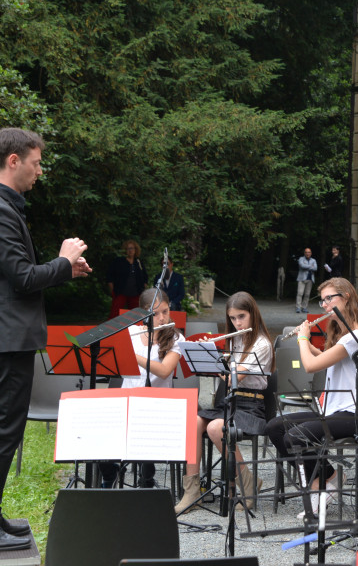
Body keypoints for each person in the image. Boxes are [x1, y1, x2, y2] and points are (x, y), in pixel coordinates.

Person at [0, 127, 91, 551]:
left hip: (12, 339)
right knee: (5, 430)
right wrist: (62, 258)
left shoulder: (9, 207)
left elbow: (20, 278)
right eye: (35, 163)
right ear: (13, 160)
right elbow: (20, 278)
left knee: (7, 430)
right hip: (7, 342)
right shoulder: (1, 210)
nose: (40, 172)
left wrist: (62, 270)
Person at [266, 277, 358, 519]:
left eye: (329, 299)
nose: (324, 305)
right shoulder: (343, 336)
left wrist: (303, 337)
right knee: (275, 427)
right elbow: (326, 358)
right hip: (335, 412)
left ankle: (320, 484)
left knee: (296, 435)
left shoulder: (357, 337)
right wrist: (313, 347)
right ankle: (330, 477)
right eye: (322, 300)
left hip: (355, 415)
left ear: (345, 297)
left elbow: (311, 366)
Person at [174, 291, 273, 514]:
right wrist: (205, 351)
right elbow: (226, 377)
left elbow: (233, 378)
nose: (237, 323)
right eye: (233, 318)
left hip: (251, 406)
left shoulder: (262, 344)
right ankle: (191, 491)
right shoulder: (235, 339)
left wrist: (211, 358)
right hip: (229, 403)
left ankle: (247, 483)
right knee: (193, 421)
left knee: (215, 427)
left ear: (253, 315)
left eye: (241, 316)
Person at [100, 288, 185, 488]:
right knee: (102, 421)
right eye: (155, 314)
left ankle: (146, 478)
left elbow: (164, 371)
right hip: (127, 399)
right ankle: (110, 470)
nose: (162, 318)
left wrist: (130, 354)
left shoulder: (176, 338)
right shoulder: (130, 332)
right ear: (143, 314)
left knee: (142, 421)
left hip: (158, 404)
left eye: (165, 311)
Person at [107, 239, 148, 318]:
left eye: (132, 248)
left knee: (135, 316)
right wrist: (113, 290)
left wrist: (142, 288)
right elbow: (110, 276)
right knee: (115, 314)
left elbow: (145, 276)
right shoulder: (118, 261)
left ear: (136, 250)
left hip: (136, 293)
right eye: (128, 248)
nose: (130, 250)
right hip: (120, 292)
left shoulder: (138, 262)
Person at [295, 247, 317, 313]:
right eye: (306, 252)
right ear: (304, 253)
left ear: (311, 253)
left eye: (309, 252)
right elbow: (302, 266)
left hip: (310, 279)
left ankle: (304, 307)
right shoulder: (301, 259)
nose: (307, 253)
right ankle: (298, 307)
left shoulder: (313, 260)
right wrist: (311, 266)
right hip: (301, 279)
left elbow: (315, 268)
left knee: (307, 294)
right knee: (300, 293)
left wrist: (307, 266)